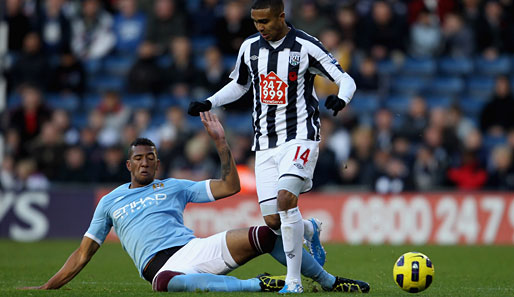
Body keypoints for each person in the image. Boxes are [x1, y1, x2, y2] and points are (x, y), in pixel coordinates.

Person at [20, 112, 369, 293]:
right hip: (160, 267)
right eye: (138, 158)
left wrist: (221, 143)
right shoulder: (109, 201)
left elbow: (230, 186)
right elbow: (84, 253)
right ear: (128, 164)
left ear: (157, 162)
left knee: (267, 234)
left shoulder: (172, 186)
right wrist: (48, 287)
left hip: (194, 250)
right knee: (163, 282)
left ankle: (328, 281)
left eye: (150, 157)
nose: (145, 162)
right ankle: (259, 285)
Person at [187, 0, 357, 293]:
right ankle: (310, 228)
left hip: (300, 136)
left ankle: (293, 283)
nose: (260, 27)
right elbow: (240, 84)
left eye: (265, 21)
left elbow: (345, 78)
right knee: (273, 221)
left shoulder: (305, 45)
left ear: (281, 16)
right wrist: (210, 102)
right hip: (265, 143)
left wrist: (341, 99)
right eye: (255, 22)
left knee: (285, 199)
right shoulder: (249, 47)